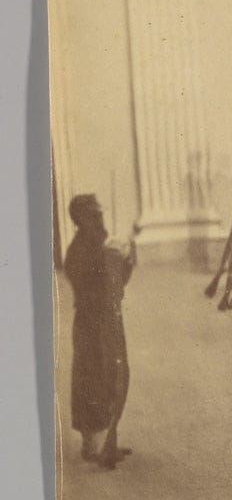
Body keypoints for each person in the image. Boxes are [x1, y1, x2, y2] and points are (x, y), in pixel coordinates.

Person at [63, 194, 136, 470]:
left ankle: (110, 440)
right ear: (82, 219)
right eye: (95, 215)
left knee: (117, 374)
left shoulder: (100, 246)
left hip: (110, 320)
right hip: (92, 326)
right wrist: (108, 256)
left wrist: (124, 255)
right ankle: (93, 446)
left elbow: (119, 282)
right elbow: (88, 287)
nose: (100, 219)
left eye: (100, 214)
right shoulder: (79, 250)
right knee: (94, 379)